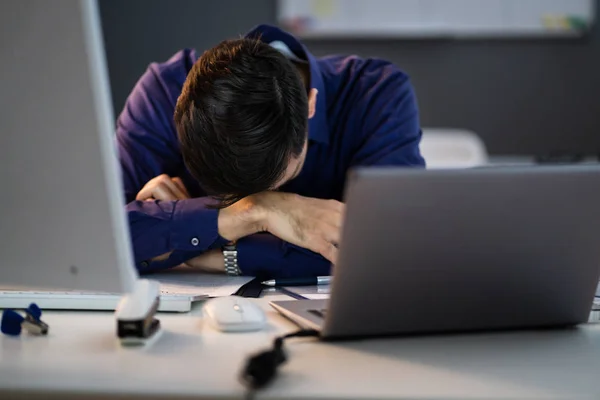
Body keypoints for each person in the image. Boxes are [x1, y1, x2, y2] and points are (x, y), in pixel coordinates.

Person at [117, 24, 425, 279]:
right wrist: (257, 211)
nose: (252, 201)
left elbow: (393, 250)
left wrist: (200, 245)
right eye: (233, 198)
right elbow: (97, 241)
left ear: (311, 106)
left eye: (272, 187)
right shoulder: (161, 94)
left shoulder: (376, 95)